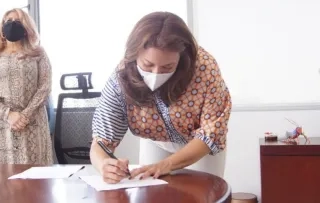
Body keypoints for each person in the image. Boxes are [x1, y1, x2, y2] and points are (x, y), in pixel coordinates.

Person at [90, 11, 232, 183]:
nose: (156, 74)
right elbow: (100, 142)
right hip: (155, 142)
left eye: (167, 67)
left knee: (204, 193)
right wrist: (104, 164)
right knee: (151, 192)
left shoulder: (204, 69)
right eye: (147, 65)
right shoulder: (121, 77)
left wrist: (168, 164)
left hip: (199, 145)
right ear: (135, 55)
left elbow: (211, 133)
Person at [0, 8, 53, 165]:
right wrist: (9, 115)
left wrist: (25, 116)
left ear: (26, 27)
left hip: (32, 125)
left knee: (35, 180)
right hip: (1, 127)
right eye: (8, 21)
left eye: (17, 21)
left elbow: (45, 87)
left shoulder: (38, 53)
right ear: (2, 27)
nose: (12, 25)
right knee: (4, 181)